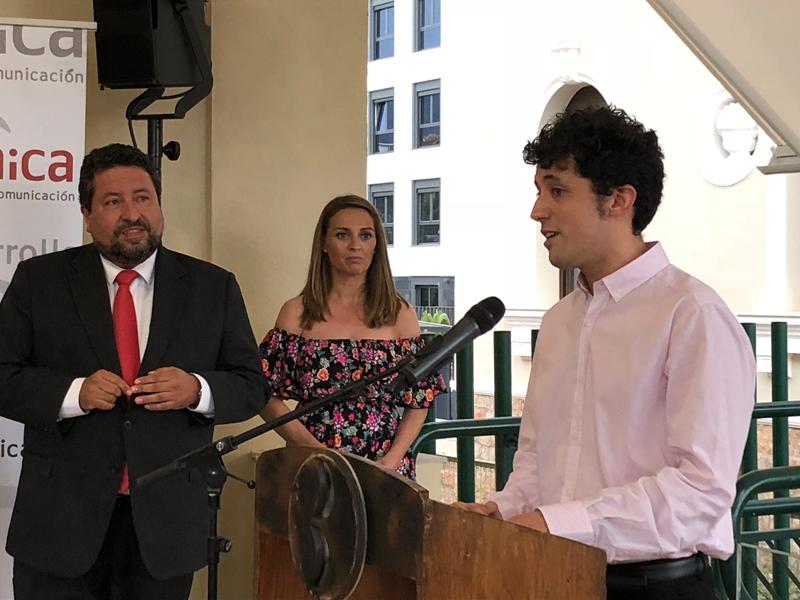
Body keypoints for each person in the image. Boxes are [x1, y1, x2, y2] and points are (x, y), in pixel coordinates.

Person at [456, 107, 755, 599]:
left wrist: (555, 524)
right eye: (538, 191)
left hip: (654, 586)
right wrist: (505, 510)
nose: (537, 211)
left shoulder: (693, 315)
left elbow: (700, 492)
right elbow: (538, 460)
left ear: (618, 199)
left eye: (557, 191)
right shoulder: (560, 321)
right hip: (551, 576)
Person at [0, 143, 268, 600]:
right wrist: (73, 394)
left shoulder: (212, 286)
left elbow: (251, 386)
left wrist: (197, 390)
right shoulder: (39, 280)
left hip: (164, 529)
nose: (132, 214)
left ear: (159, 205)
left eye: (143, 198)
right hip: (60, 525)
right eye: (113, 201)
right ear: (86, 214)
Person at [259, 194, 446, 479]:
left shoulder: (399, 313)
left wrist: (391, 461)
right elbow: (263, 393)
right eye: (342, 235)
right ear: (323, 244)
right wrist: (315, 450)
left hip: (384, 469)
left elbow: (419, 400)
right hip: (313, 467)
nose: (355, 245)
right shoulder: (297, 313)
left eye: (365, 235)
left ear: (376, 245)